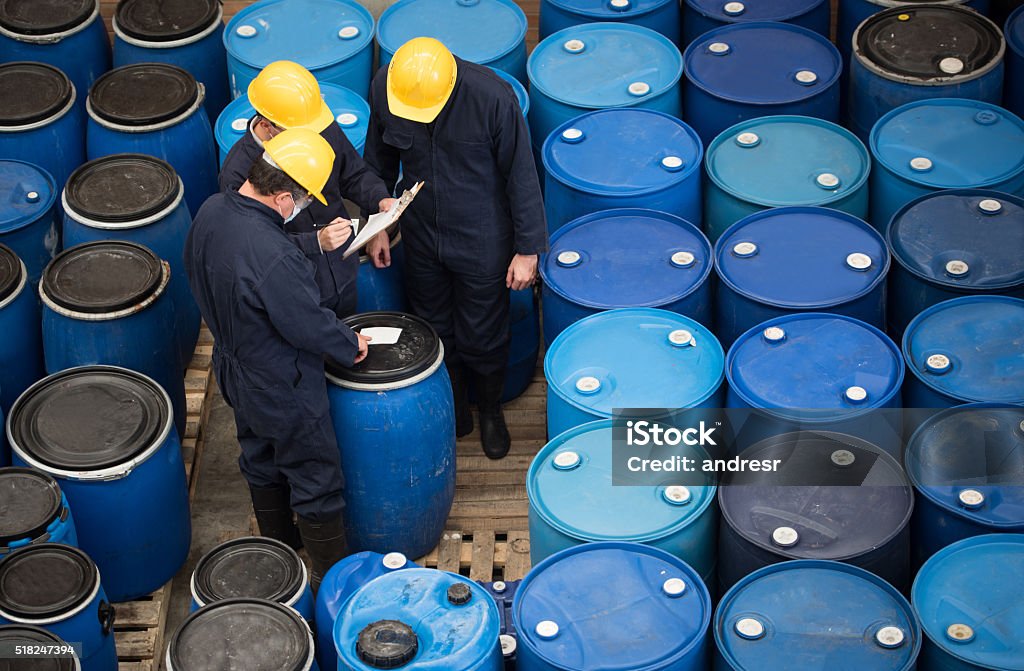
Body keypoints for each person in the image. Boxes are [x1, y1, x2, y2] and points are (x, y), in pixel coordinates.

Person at [185, 128, 370, 589]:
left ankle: (283, 554)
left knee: (260, 458)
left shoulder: (212, 210)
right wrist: (350, 345)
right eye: (304, 198)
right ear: (284, 196)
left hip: (234, 368)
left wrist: (312, 245)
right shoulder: (272, 254)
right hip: (282, 382)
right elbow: (304, 321)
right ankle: (333, 582)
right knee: (315, 478)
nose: (307, 206)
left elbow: (251, 261)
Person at [362, 38, 547, 460]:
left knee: (484, 331)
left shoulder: (492, 98)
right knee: (434, 323)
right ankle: (457, 404)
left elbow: (522, 175)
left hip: (483, 235)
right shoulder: (387, 88)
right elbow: (378, 162)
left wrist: (528, 250)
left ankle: (490, 410)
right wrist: (378, 227)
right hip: (422, 231)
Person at [220, 60, 397, 318]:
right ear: (267, 125)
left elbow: (354, 174)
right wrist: (315, 242)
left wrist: (379, 202)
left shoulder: (315, 126)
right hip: (295, 290)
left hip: (342, 269)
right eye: (299, 132)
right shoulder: (237, 173)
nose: (310, 139)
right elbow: (252, 245)